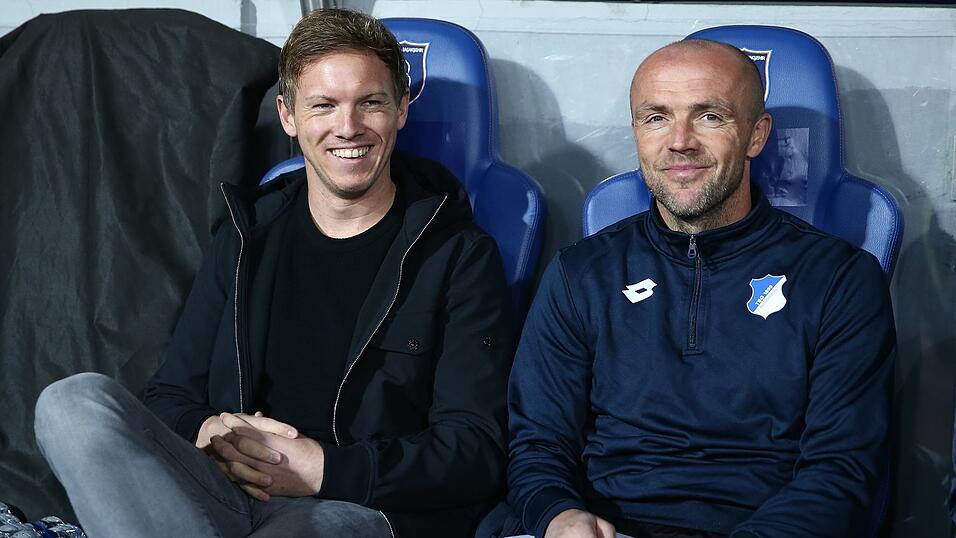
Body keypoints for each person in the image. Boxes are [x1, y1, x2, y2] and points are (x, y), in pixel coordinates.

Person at [34, 8, 514, 538]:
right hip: (222, 485)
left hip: (350, 505)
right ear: (288, 116)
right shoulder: (246, 237)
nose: (347, 127)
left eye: (371, 103)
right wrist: (210, 431)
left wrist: (322, 468)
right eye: (323, 106)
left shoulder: (459, 255)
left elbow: (476, 449)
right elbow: (170, 397)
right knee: (70, 403)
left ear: (401, 110)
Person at [506, 39, 895, 538]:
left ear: (756, 136)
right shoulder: (580, 273)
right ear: (637, 133)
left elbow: (844, 472)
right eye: (656, 118)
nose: (679, 141)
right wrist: (558, 515)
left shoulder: (840, 280)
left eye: (710, 116)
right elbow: (537, 443)